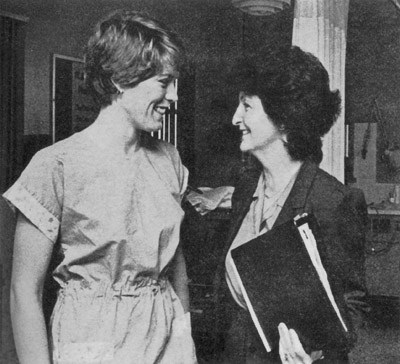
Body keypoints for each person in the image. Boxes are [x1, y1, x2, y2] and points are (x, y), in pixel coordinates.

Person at [3, 9, 197, 364]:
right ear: (121, 80)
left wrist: (184, 341)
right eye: (163, 82)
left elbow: (175, 265)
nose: (174, 97)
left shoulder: (169, 160)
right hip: (92, 337)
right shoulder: (55, 165)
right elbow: (23, 293)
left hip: (166, 332)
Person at [215, 46, 368, 363]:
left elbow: (352, 307)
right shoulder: (246, 190)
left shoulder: (334, 201)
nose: (235, 118)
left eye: (246, 106)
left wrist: (314, 352)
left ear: (283, 119)